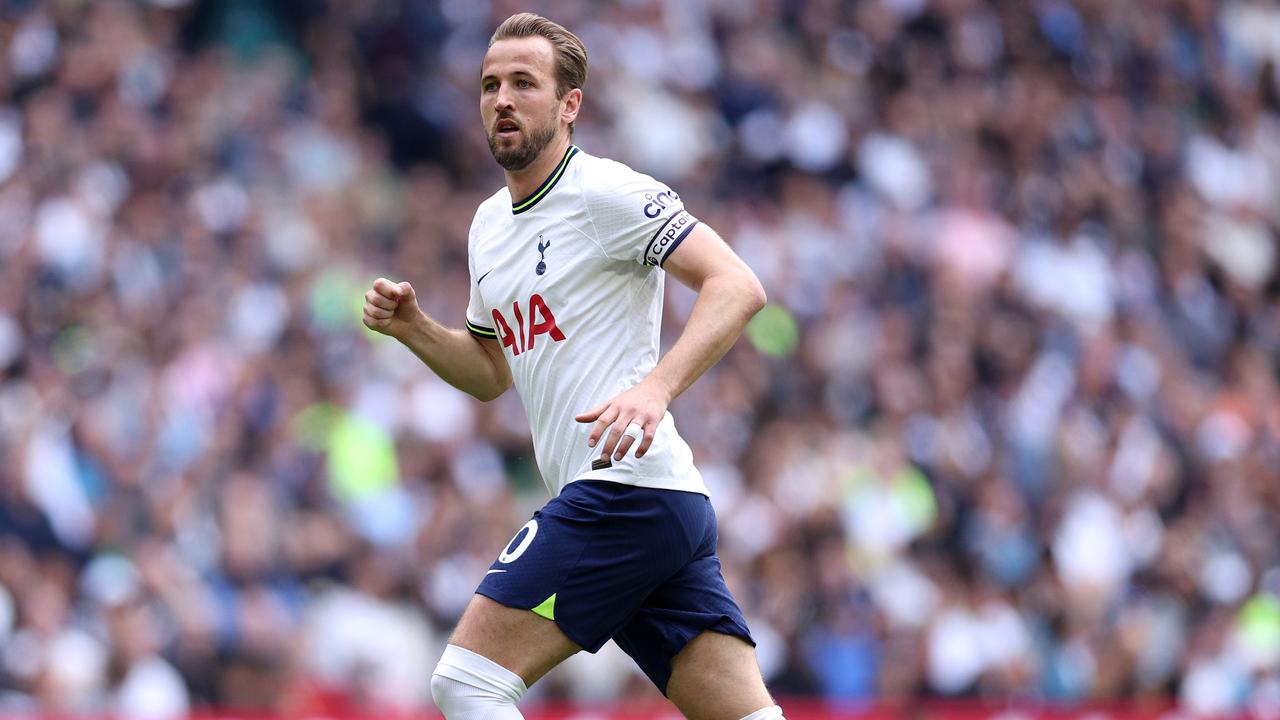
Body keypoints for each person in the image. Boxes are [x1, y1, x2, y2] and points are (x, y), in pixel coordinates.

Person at [362, 13, 783, 720]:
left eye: (523, 83)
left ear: (569, 105)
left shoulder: (604, 192)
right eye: (490, 84)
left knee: (466, 682)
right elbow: (490, 372)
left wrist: (656, 390)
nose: (502, 98)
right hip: (661, 505)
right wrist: (415, 330)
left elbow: (738, 284)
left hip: (622, 488)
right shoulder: (488, 226)